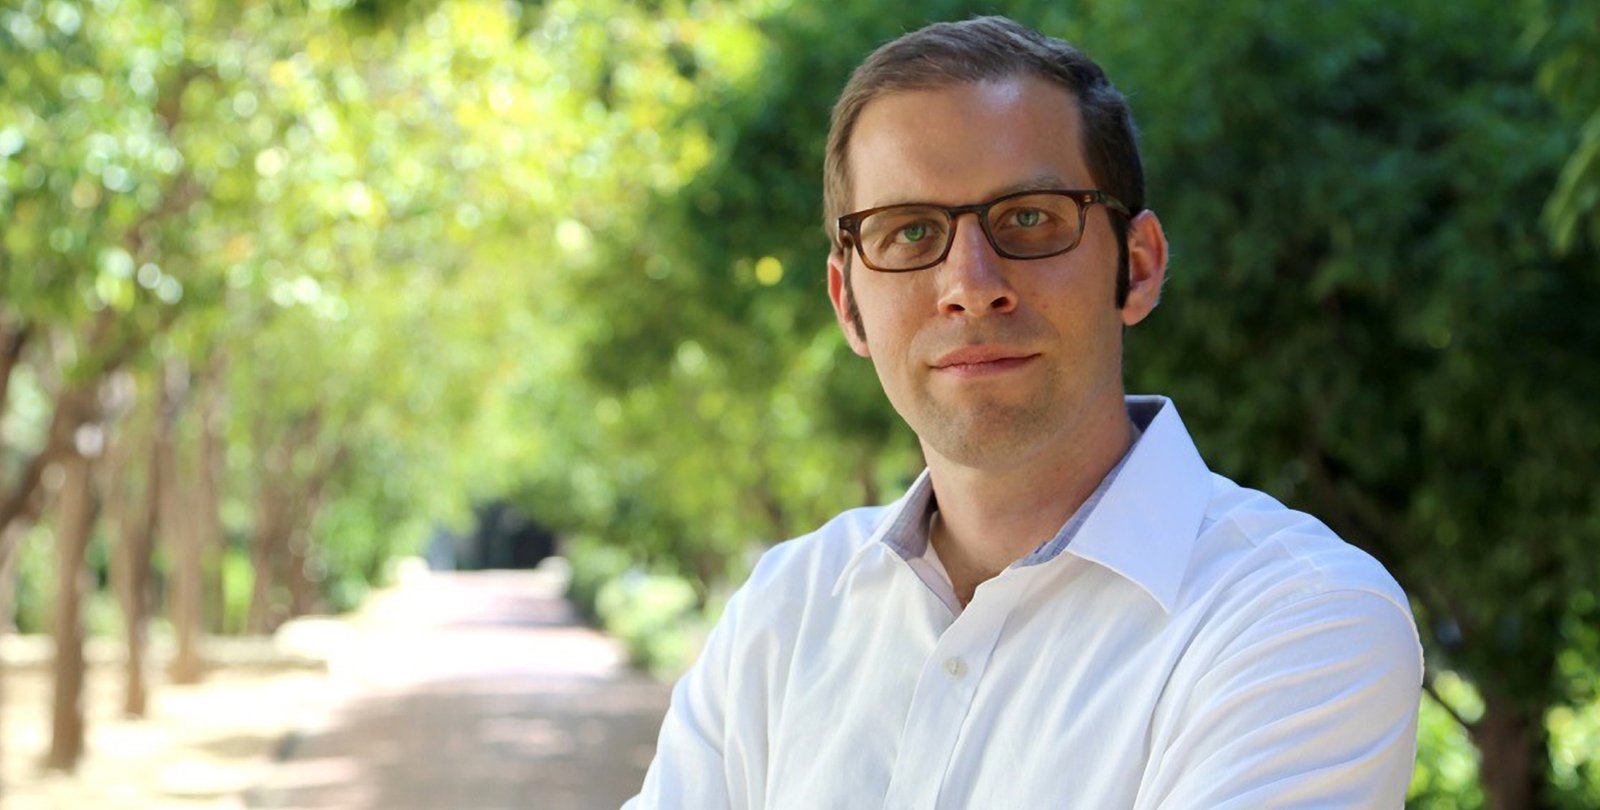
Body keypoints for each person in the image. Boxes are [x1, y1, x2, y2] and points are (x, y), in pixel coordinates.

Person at [624, 16, 1422, 810]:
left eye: (1031, 218)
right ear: (848, 303)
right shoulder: (786, 609)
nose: (971, 283)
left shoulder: (1297, 619)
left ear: (1137, 268)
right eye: (909, 232)